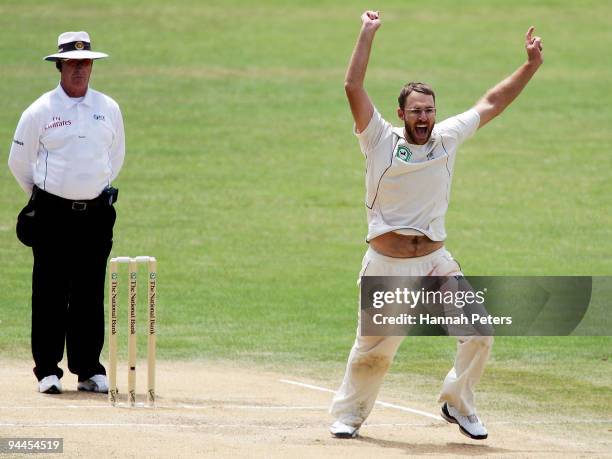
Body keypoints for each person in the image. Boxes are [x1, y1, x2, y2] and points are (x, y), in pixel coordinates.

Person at [329, 11, 543, 440]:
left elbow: (492, 102)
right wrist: (367, 32)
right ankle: (349, 416)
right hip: (387, 265)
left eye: (429, 110)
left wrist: (530, 66)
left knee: (479, 332)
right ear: (401, 113)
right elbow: (353, 86)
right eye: (415, 111)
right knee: (374, 352)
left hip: (434, 263)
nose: (423, 117)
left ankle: (457, 403)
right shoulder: (378, 139)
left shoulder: (447, 137)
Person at [8, 31, 125, 394]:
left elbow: (115, 158)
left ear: (92, 66)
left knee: (89, 291)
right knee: (50, 291)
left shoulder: (108, 108)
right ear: (59, 66)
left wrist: (89, 189)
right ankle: (47, 369)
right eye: (72, 63)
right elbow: (19, 163)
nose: (79, 69)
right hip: (51, 215)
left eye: (85, 63)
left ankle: (88, 367)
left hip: (95, 214)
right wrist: (47, 198)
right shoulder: (40, 110)